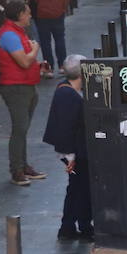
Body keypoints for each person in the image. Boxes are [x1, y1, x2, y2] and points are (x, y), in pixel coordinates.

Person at [40, 54, 92, 241]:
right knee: (82, 189)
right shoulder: (68, 95)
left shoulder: (66, 90)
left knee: (76, 188)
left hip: (75, 149)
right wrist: (70, 156)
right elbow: (66, 126)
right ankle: (83, 226)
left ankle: (69, 226)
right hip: (75, 151)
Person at [0, 0, 47, 186]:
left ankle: (23, 166)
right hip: (16, 88)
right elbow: (24, 62)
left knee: (22, 129)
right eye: (27, 13)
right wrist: (34, 50)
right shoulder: (9, 35)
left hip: (26, 85)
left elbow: (26, 62)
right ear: (19, 15)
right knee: (20, 129)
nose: (30, 16)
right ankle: (17, 170)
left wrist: (38, 65)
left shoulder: (18, 33)